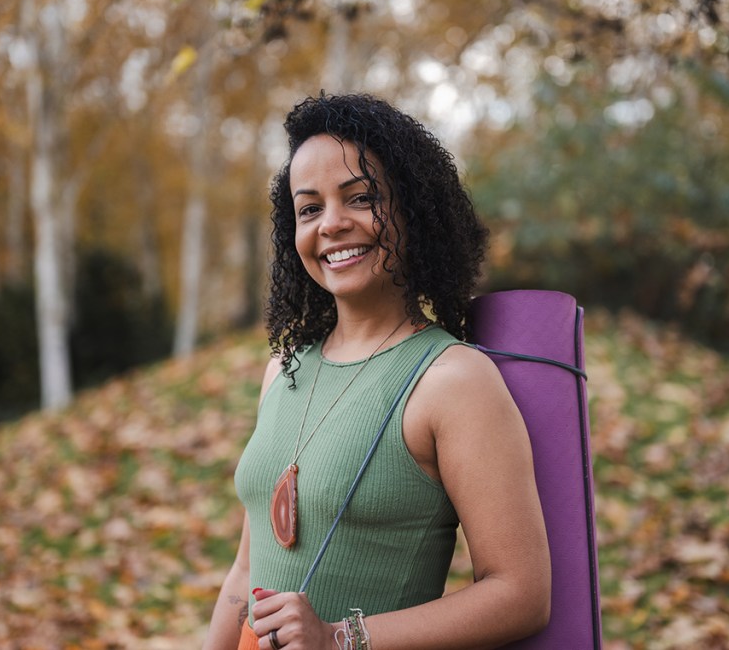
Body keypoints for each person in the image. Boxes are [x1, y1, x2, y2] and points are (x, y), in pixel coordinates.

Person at [203, 93, 550, 650]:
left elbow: (520, 593)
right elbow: (244, 579)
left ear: (413, 210)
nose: (332, 225)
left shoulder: (452, 380)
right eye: (309, 208)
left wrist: (339, 638)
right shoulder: (285, 370)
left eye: (360, 198)